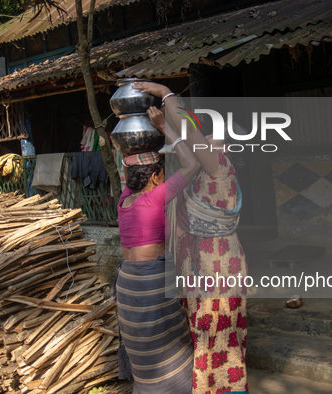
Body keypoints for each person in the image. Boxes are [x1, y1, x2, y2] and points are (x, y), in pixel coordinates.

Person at [133, 82, 249, 394]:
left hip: (218, 270)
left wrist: (166, 93)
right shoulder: (198, 176)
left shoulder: (220, 170)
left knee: (220, 341)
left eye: (213, 139)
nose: (207, 141)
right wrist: (164, 129)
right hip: (198, 270)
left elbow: (190, 138)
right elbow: (188, 152)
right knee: (204, 339)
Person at [115, 105, 201, 393]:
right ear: (153, 177)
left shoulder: (124, 200)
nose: (164, 180)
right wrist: (165, 126)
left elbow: (125, 167)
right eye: (162, 175)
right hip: (152, 282)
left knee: (145, 351)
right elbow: (193, 166)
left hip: (127, 284)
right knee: (169, 348)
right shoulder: (154, 198)